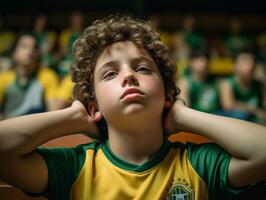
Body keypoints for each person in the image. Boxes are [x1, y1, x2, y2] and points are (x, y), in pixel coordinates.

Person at [0, 15, 266, 200]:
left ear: (166, 95)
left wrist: (183, 115)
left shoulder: (198, 163)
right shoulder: (75, 167)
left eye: (142, 68)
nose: (128, 76)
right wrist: (74, 116)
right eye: (109, 73)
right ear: (94, 105)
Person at [0, 33, 59, 120]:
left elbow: (54, 111)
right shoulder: (4, 78)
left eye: (34, 48)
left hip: (37, 127)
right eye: (24, 47)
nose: (30, 51)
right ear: (14, 53)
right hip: (9, 126)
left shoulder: (47, 75)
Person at [220, 50, 266, 125]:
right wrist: (254, 110)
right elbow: (228, 105)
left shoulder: (259, 84)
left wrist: (263, 77)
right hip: (235, 121)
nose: (250, 66)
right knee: (241, 115)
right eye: (245, 62)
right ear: (235, 65)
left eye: (252, 62)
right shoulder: (227, 83)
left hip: (256, 121)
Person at [177, 49, 222, 114]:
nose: (204, 62)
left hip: (217, 115)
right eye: (200, 59)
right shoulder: (184, 83)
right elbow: (185, 109)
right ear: (191, 62)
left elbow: (226, 105)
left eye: (206, 58)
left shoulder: (217, 81)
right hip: (196, 117)